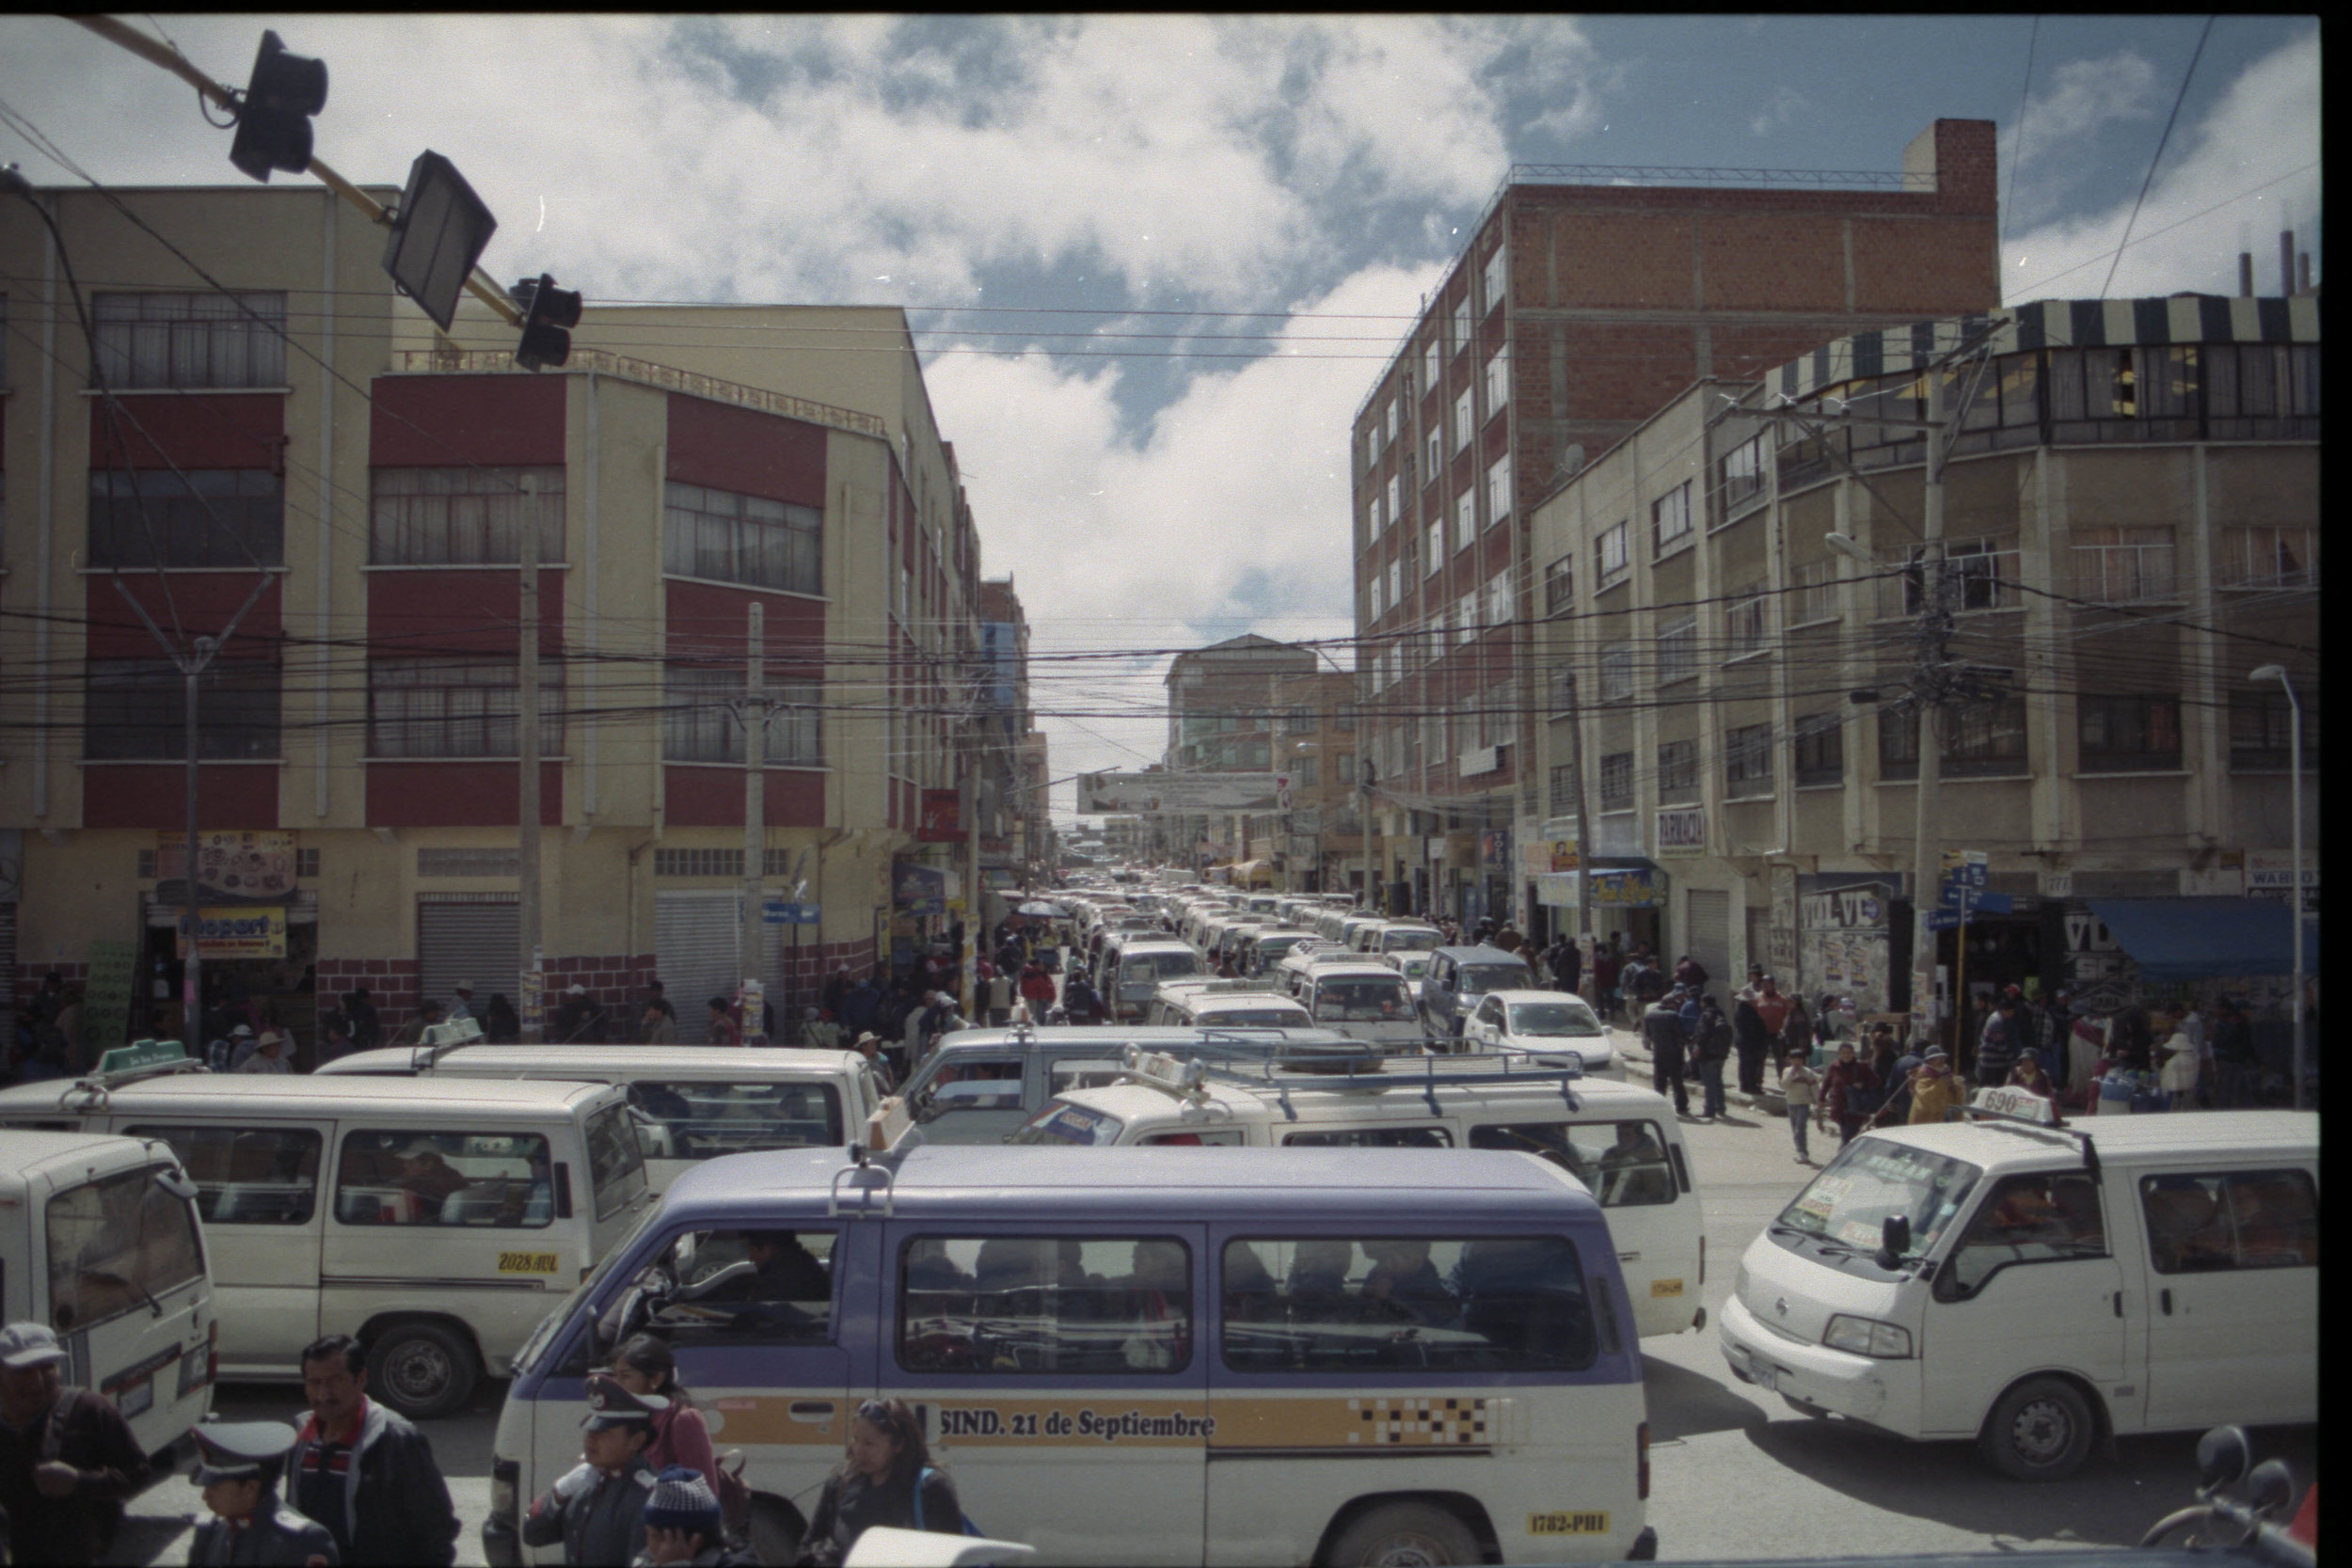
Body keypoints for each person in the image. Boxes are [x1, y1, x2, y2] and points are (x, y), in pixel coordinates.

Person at [284, 1334, 458, 1566]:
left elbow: (437, 1530)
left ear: (361, 1378)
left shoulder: (398, 1440)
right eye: (314, 1383)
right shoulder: (300, 1440)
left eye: (335, 1381)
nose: (323, 1395)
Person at [0, 1322, 149, 1564]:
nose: (37, 1381)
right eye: (23, 1371)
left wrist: (79, 1481)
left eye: (47, 1368)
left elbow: (138, 1473)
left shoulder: (89, 1410)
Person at [795, 1397, 965, 1566]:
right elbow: (807, 1548)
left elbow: (952, 1557)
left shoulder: (930, 1489)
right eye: (856, 1439)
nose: (859, 1450)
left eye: (869, 1444)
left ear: (898, 1444)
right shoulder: (840, 1484)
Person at [524, 1373, 661, 1567]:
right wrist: (558, 1493)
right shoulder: (585, 1482)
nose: (590, 1440)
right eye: (590, 1431)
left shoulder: (647, 1497)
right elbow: (533, 1535)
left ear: (636, 1441)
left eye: (603, 1433)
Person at [188, 1421, 342, 1566]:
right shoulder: (213, 1531)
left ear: (250, 1488)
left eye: (214, 1487)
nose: (205, 1496)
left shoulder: (303, 1540)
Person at [608, 1337, 718, 1497]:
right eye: (615, 1375)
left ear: (656, 1379)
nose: (616, 1384)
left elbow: (704, 1492)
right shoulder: (623, 1418)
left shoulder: (683, 1420)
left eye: (625, 1376)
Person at [636, 1465, 755, 1568]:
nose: (650, 1547)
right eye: (647, 1534)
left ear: (696, 1540)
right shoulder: (646, 1560)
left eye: (656, 1537)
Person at [1639, 989, 1690, 1117]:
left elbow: (1648, 1035)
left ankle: (1658, 1105)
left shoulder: (1650, 1015)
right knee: (1677, 1081)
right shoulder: (1673, 1016)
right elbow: (1680, 1035)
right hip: (1674, 1054)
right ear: (1671, 1004)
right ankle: (1681, 1106)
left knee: (1659, 1081)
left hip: (1659, 1053)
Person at [742, 1231, 831, 1302]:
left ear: (767, 1249)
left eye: (753, 1250)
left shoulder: (775, 1282)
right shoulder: (808, 1267)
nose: (751, 1259)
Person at [1821, 1041, 1882, 1146]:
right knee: (1846, 1135)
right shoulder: (1835, 1066)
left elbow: (1876, 1081)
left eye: (1849, 1052)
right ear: (1839, 1054)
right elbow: (1827, 1083)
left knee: (1847, 1138)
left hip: (1855, 1109)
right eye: (1844, 1053)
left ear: (1854, 1053)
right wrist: (1821, 1098)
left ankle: (1841, 1159)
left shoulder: (1861, 1066)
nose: (1847, 1055)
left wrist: (1863, 1085)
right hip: (1839, 1108)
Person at [1692, 991, 1732, 1120]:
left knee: (1709, 1082)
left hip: (1708, 1054)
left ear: (1704, 1002)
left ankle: (1709, 1110)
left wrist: (1697, 1047)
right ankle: (1721, 1107)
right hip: (1721, 1053)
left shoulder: (1706, 1015)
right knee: (1718, 1080)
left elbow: (1703, 1034)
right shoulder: (1721, 1014)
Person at [1781, 1051, 1821, 1163]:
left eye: (1799, 1060)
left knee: (1800, 1129)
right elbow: (1784, 1086)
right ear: (1790, 1060)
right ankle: (1800, 1151)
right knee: (1795, 1129)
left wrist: (1818, 1101)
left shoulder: (1809, 1073)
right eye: (1794, 1060)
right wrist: (1791, 1075)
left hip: (1803, 1104)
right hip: (1791, 1103)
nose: (1797, 1062)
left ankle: (1802, 1152)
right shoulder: (1787, 1071)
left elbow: (1814, 1089)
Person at [1906, 1048, 1964, 1124]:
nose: (1942, 1061)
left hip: (1946, 1117)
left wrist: (1955, 1085)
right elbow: (1926, 1096)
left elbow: (1958, 1096)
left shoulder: (1947, 1073)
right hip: (1925, 1120)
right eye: (1938, 1059)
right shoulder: (1923, 1076)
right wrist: (1942, 1083)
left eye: (1943, 1058)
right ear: (1930, 1061)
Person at [1977, 995, 2021, 1088]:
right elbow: (2000, 1045)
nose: (2012, 1014)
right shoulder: (1997, 1022)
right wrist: (2012, 1060)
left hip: (1991, 1061)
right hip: (1993, 1063)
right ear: (2004, 1010)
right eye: (2011, 1011)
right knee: (1990, 1089)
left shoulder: (1994, 1017)